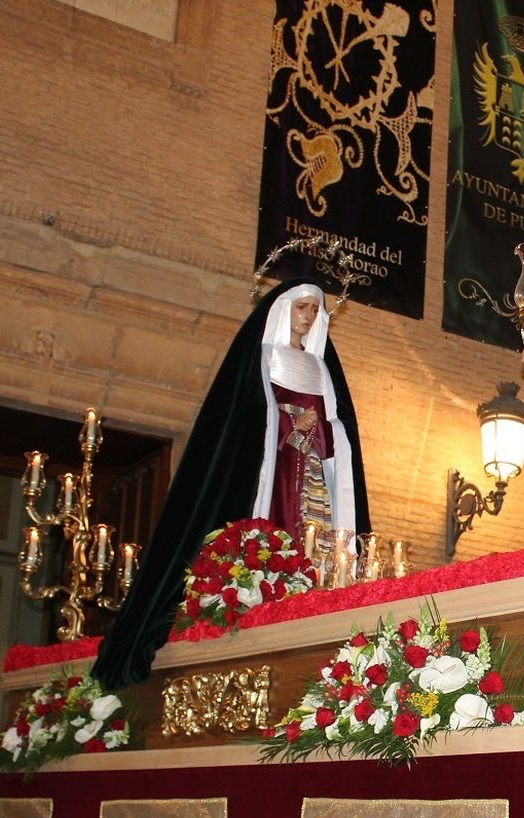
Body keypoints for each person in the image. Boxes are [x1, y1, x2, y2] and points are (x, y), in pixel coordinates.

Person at [92, 278, 370, 689]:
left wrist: (320, 431)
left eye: (315, 310)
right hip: (270, 481)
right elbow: (247, 427)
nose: (309, 317)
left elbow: (338, 428)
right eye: (302, 308)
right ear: (282, 310)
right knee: (277, 533)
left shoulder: (320, 369)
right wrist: (291, 425)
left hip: (312, 478)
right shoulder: (261, 359)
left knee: (320, 540)